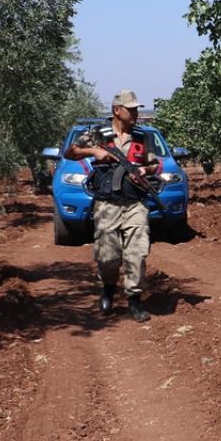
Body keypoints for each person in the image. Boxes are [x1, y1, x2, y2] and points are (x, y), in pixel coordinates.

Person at [64, 89, 160, 322]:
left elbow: (155, 165)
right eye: (131, 109)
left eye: (137, 109)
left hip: (135, 203)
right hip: (107, 204)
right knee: (108, 256)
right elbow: (70, 152)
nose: (135, 113)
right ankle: (108, 288)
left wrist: (144, 170)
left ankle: (134, 300)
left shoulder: (142, 136)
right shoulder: (98, 134)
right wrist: (94, 151)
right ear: (117, 110)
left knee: (137, 253)